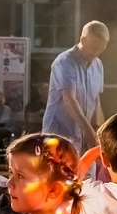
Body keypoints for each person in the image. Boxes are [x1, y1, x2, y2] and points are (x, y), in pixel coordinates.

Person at [42, 21, 109, 151]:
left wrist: (98, 129)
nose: (96, 53)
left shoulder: (98, 65)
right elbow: (69, 99)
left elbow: (96, 101)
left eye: (101, 49)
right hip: (59, 133)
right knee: (61, 170)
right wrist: (88, 130)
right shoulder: (65, 61)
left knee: (88, 170)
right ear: (83, 40)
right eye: (94, 48)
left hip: (85, 133)